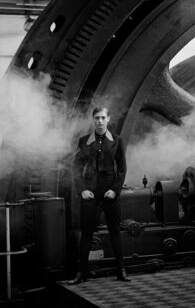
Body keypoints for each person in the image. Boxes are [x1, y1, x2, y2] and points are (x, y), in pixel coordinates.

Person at [68, 107, 130, 284]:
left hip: (110, 194)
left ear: (108, 119)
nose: (100, 121)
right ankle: (82, 274)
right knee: (86, 234)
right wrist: (82, 190)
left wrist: (116, 190)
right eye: (97, 118)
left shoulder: (117, 140)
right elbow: (76, 168)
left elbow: (123, 168)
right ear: (93, 120)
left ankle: (121, 271)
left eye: (103, 117)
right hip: (90, 194)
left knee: (115, 233)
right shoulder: (84, 141)